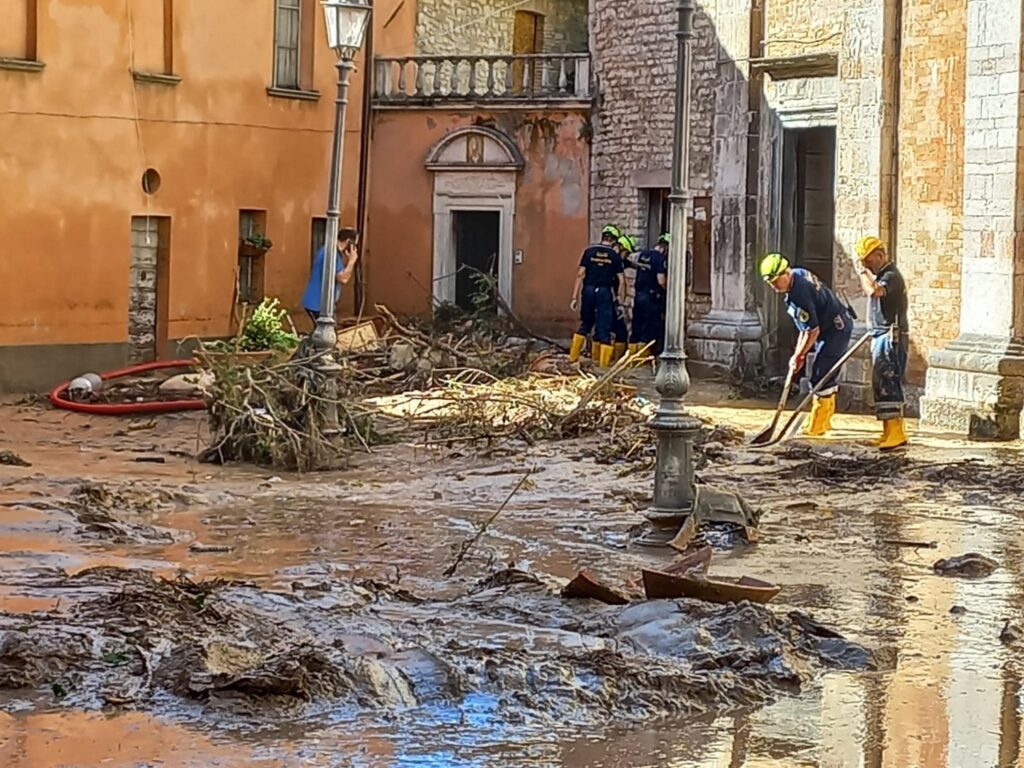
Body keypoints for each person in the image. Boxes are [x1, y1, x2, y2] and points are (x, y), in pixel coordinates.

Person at [759, 252, 853, 437]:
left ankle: (818, 425)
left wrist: (798, 355)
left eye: (775, 281)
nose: (773, 287)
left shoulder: (799, 294)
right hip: (828, 328)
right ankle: (823, 419)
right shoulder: (799, 273)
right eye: (770, 284)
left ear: (786, 273)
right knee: (824, 373)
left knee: (820, 375)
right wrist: (798, 354)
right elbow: (805, 329)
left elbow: (812, 330)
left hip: (835, 329)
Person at [854, 235, 909, 449]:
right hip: (879, 334)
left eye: (869, 261)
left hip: (890, 336)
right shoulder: (881, 275)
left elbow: (873, 291)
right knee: (880, 384)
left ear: (880, 255)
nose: (867, 265)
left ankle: (897, 432)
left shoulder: (891, 276)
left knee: (889, 382)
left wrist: (863, 272)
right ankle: (888, 431)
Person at [569, 226, 625, 367]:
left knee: (586, 323)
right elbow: (622, 281)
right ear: (613, 240)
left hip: (588, 290)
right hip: (604, 292)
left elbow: (580, 274)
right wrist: (620, 300)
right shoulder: (614, 256)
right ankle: (603, 366)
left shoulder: (589, 251)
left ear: (603, 237)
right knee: (603, 327)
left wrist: (574, 297)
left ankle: (573, 358)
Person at [302, 227, 360, 327]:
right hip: (318, 304)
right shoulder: (332, 254)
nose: (355, 248)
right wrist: (352, 261)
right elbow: (343, 279)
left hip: (322, 304)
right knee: (327, 335)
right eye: (354, 244)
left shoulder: (331, 251)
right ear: (348, 242)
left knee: (325, 333)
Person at [628, 233, 669, 359]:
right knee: (649, 328)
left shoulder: (643, 254)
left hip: (639, 295)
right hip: (651, 298)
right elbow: (661, 280)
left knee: (637, 326)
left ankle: (631, 357)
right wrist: (670, 290)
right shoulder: (660, 259)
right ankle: (642, 359)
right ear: (665, 247)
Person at [611, 234, 638, 362]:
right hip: (612, 299)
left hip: (612, 299)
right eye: (626, 253)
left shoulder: (622, 262)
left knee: (619, 330)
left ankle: (616, 360)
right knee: (620, 330)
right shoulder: (615, 262)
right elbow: (622, 283)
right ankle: (615, 360)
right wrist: (620, 302)